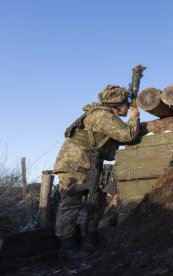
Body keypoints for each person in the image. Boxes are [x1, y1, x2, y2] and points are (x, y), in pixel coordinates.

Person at [53, 85, 139, 260]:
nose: (128, 108)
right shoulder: (102, 115)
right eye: (125, 104)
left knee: (98, 202)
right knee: (70, 203)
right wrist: (134, 118)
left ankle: (88, 240)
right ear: (116, 106)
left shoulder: (104, 114)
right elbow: (127, 135)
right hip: (74, 165)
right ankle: (66, 248)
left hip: (84, 165)